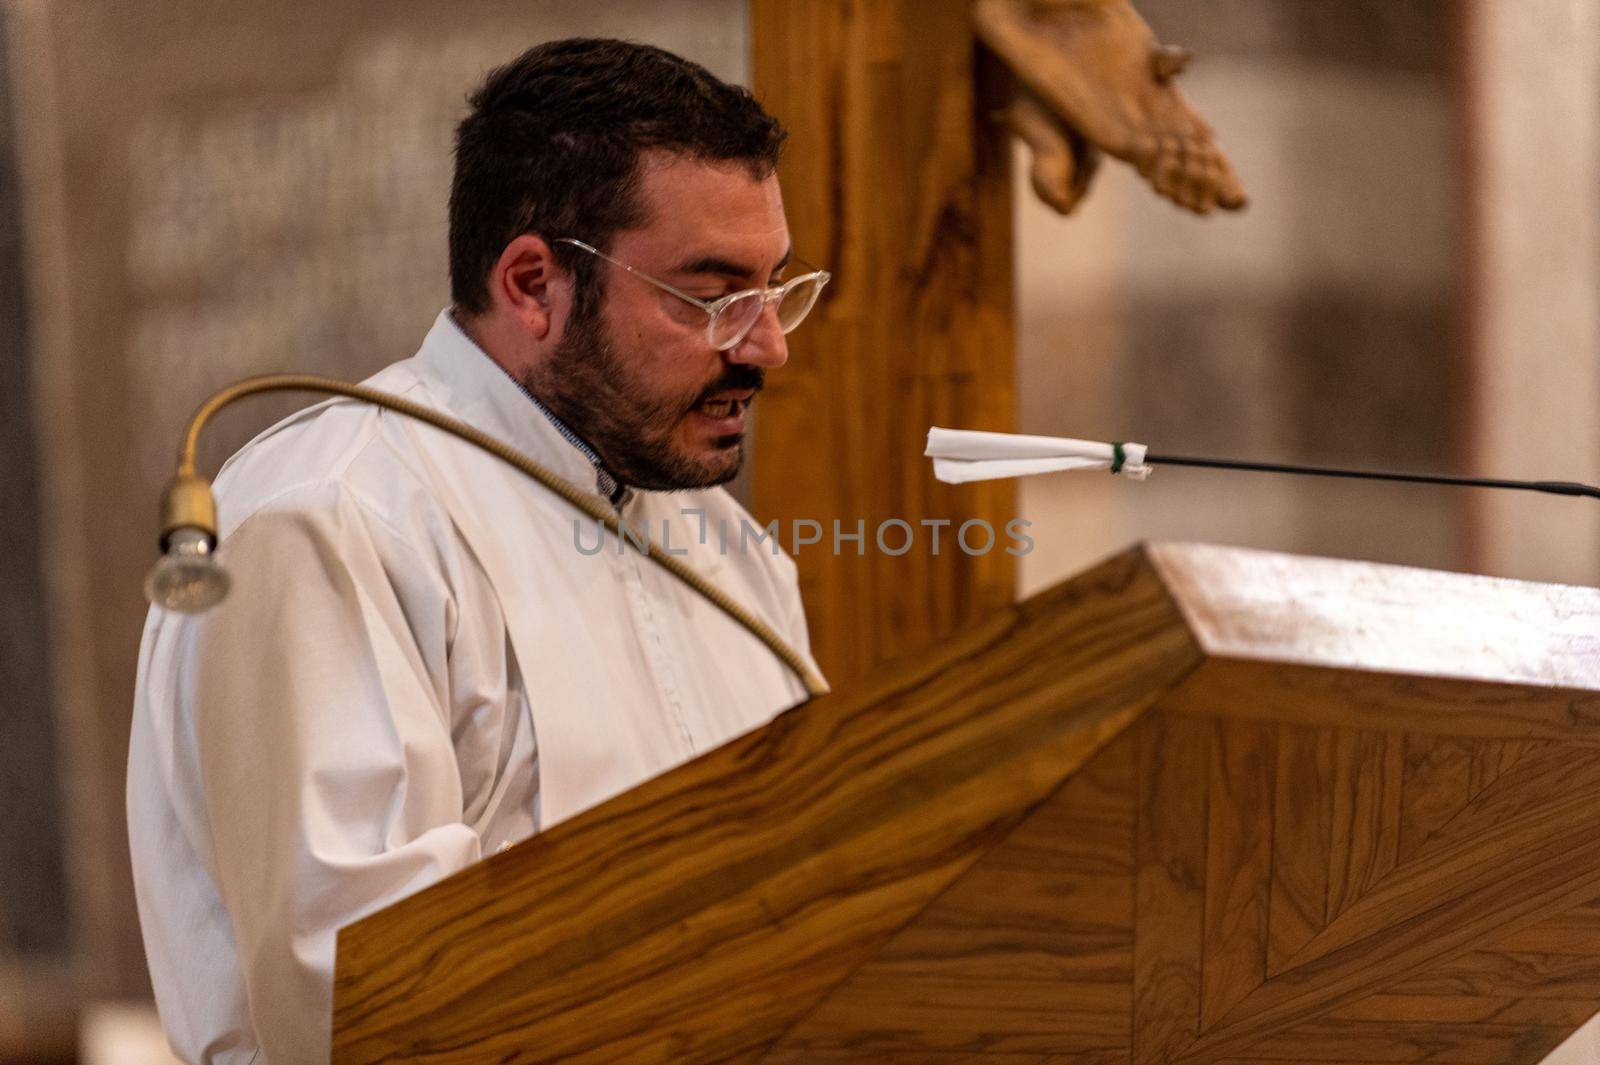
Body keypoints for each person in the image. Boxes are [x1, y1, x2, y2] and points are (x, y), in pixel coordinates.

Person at [127, 38, 824, 1064]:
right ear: (534, 283)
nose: (767, 345)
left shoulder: (723, 542)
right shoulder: (332, 517)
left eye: (776, 289)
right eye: (711, 295)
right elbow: (372, 985)